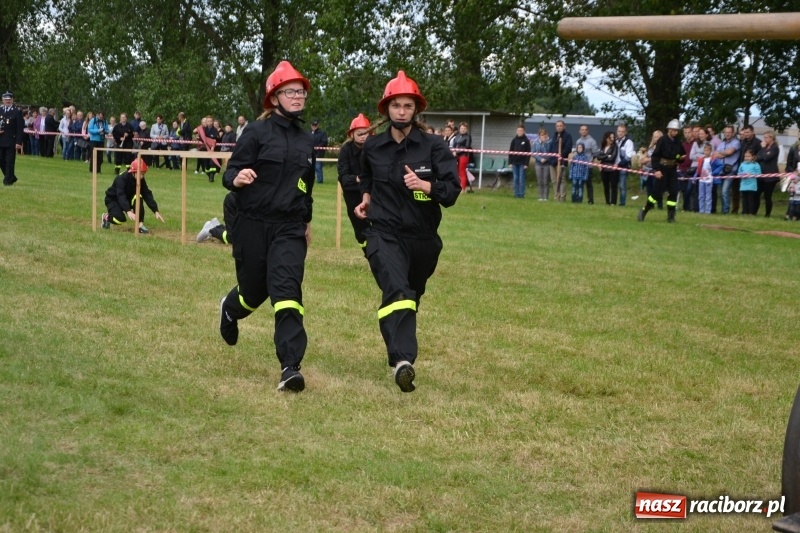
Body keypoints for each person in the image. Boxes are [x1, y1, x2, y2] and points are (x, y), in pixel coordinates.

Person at [354, 70, 460, 393]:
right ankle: (403, 362)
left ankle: (399, 351)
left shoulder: (435, 147)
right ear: (386, 109)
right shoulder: (372, 148)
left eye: (408, 106)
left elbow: (453, 192)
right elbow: (368, 179)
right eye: (396, 105)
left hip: (423, 240)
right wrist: (366, 199)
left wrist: (426, 185)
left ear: (416, 110)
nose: (402, 111)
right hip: (383, 232)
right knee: (397, 289)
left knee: (409, 298)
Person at [217, 60, 315, 393]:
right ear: (274, 97)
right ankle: (229, 310)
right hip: (252, 224)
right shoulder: (256, 133)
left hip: (289, 227)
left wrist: (307, 220)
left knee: (287, 291)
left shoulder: (306, 139)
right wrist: (239, 178)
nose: (298, 97)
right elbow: (229, 174)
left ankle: (290, 366)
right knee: (254, 291)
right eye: (291, 92)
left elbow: (306, 185)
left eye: (301, 92)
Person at [637, 119, 686, 223]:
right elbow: (655, 156)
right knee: (657, 194)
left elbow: (681, 154)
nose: (676, 132)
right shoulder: (662, 140)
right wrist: (657, 170)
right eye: (674, 130)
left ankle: (671, 216)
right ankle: (644, 211)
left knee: (673, 192)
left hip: (672, 170)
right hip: (662, 169)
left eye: (677, 130)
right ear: (669, 130)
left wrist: (680, 158)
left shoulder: (678, 142)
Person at [337, 113, 371, 250]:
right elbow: (344, 178)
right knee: (361, 231)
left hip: (373, 193)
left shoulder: (374, 148)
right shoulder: (345, 151)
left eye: (366, 133)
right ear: (352, 135)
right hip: (353, 196)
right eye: (360, 133)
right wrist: (359, 178)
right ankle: (367, 252)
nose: (363, 136)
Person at [101, 158, 165, 233]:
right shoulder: (121, 178)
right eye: (140, 174)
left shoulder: (141, 180)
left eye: (143, 174)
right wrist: (128, 210)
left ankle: (140, 226)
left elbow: (146, 193)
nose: (141, 176)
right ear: (133, 172)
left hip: (127, 199)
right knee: (119, 219)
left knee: (138, 197)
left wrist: (155, 210)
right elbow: (121, 195)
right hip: (113, 200)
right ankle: (106, 218)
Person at [713, 125, 741, 214]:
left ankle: (725, 211)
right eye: (726, 132)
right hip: (721, 170)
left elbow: (730, 152)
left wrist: (723, 153)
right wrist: (724, 154)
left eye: (729, 132)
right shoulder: (722, 143)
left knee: (725, 191)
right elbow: (716, 154)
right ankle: (723, 210)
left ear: (733, 133)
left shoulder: (736, 142)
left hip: (731, 170)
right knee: (721, 192)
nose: (727, 134)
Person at [0, 92, 24, 186]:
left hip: (11, 141)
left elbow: (19, 128)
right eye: (6, 99)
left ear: (12, 100)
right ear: (3, 100)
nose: (7, 101)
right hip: (1, 140)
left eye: (9, 99)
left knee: (9, 161)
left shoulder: (17, 112)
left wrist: (18, 142)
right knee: (1, 160)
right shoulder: (0, 110)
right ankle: (11, 177)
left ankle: (7, 181)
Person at [735, 125, 760, 214]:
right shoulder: (743, 142)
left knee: (752, 198)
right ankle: (744, 211)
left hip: (752, 174)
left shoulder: (757, 142)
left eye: (748, 132)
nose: (746, 134)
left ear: (752, 132)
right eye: (745, 132)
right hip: (743, 170)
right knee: (744, 198)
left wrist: (752, 162)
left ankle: (752, 212)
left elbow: (759, 155)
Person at [754, 131, 780, 217]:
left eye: (766, 137)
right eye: (764, 137)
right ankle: (754, 212)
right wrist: (763, 151)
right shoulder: (764, 148)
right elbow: (757, 157)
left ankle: (767, 214)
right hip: (761, 174)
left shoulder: (775, 148)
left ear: (771, 138)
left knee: (767, 196)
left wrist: (764, 149)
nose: (764, 139)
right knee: (757, 194)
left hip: (771, 176)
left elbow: (766, 157)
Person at [640, 130, 663, 209]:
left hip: (656, 170)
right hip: (648, 171)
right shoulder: (650, 147)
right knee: (649, 189)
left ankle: (660, 206)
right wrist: (643, 160)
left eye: (658, 137)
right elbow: (646, 156)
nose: (656, 139)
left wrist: (648, 160)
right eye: (655, 137)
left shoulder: (662, 147)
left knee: (656, 189)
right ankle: (650, 205)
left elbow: (660, 158)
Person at [550, 120, 573, 201]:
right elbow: (551, 147)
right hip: (552, 161)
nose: (559, 127)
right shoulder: (555, 135)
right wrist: (551, 157)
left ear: (564, 126)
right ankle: (556, 196)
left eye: (560, 125)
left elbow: (568, 148)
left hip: (561, 161)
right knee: (554, 180)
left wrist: (560, 155)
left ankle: (563, 197)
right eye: (557, 126)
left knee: (561, 179)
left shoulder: (567, 136)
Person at [576, 125, 599, 204]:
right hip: (579, 166)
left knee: (588, 183)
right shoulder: (578, 141)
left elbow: (595, 153)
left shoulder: (592, 141)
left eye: (585, 130)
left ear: (588, 131)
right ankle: (579, 198)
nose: (584, 131)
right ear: (580, 131)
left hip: (588, 166)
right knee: (579, 183)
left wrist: (591, 161)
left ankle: (590, 200)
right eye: (582, 130)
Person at [508, 125, 531, 199]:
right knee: (515, 179)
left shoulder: (526, 141)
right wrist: (510, 162)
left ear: (524, 131)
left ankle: (521, 194)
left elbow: (528, 153)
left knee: (521, 179)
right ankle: (516, 194)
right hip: (514, 162)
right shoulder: (514, 140)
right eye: (518, 130)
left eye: (521, 131)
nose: (519, 132)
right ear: (516, 131)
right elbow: (510, 151)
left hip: (522, 163)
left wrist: (526, 163)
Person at [596, 131, 618, 205]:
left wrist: (604, 156)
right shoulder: (603, 147)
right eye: (610, 137)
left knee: (613, 186)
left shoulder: (615, 147)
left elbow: (612, 158)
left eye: (613, 137)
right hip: (603, 169)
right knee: (606, 186)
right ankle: (607, 202)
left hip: (612, 169)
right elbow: (598, 157)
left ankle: (613, 202)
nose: (612, 139)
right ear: (606, 138)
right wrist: (606, 155)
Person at [615, 124, 634, 207]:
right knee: (614, 185)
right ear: (617, 131)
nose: (620, 133)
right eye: (619, 131)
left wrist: (619, 164)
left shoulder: (628, 142)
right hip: (614, 165)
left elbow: (628, 157)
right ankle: (613, 201)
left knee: (622, 185)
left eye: (622, 131)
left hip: (623, 166)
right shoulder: (615, 141)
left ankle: (622, 203)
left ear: (625, 132)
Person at [451, 122, 472, 192]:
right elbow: (454, 145)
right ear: (459, 129)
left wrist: (457, 152)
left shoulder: (468, 136)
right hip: (456, 156)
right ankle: (457, 186)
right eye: (462, 128)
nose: (463, 130)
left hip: (464, 156)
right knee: (455, 171)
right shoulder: (457, 136)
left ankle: (463, 188)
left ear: (467, 129)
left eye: (464, 128)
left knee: (462, 172)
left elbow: (467, 147)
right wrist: (453, 152)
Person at [738, 149, 760, 216]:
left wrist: (751, 174)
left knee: (751, 199)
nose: (747, 158)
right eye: (745, 156)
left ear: (753, 157)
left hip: (752, 185)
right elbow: (739, 173)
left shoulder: (756, 164)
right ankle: (745, 212)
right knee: (744, 200)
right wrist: (742, 174)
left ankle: (751, 212)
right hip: (744, 185)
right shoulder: (742, 164)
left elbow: (759, 173)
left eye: (748, 156)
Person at [532, 128, 551, 201]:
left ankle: (546, 197)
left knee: (545, 181)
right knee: (539, 181)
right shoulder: (535, 142)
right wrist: (540, 159)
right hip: (538, 163)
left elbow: (550, 152)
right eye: (541, 135)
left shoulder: (549, 142)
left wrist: (545, 143)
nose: (543, 137)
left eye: (544, 135)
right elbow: (533, 153)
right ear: (539, 136)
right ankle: (540, 197)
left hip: (546, 163)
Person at [310, 119, 327, 183]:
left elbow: (324, 142)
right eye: (313, 125)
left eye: (315, 125)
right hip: (310, 152)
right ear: (311, 125)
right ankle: (310, 179)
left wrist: (318, 147)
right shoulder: (309, 133)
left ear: (318, 125)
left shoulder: (322, 133)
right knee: (309, 167)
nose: (314, 126)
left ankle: (319, 181)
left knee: (318, 167)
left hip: (319, 153)